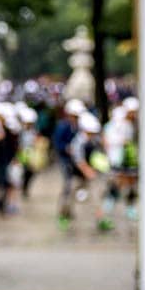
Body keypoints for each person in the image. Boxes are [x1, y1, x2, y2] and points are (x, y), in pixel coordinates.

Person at [53, 98, 86, 229]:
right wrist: (66, 148)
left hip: (75, 161)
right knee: (68, 185)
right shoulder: (63, 126)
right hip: (65, 161)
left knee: (75, 186)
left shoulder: (78, 126)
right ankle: (63, 211)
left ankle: (69, 209)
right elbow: (57, 144)